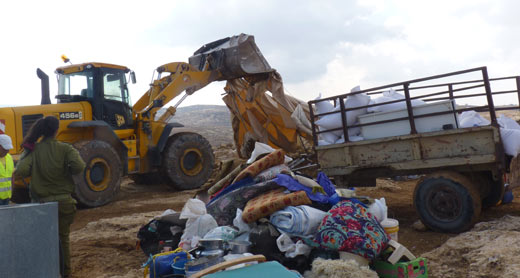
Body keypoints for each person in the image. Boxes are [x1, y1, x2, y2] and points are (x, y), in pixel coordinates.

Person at [14, 116, 85, 278]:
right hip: (64, 203)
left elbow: (21, 171)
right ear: (56, 130)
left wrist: (28, 153)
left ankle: (45, 271)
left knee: (41, 239)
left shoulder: (33, 150)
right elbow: (79, 166)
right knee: (63, 238)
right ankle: (66, 272)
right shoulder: (66, 149)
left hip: (41, 204)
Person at [0, 134, 14, 205]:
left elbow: (12, 175)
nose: (7, 151)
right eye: (5, 148)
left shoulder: (9, 158)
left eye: (8, 148)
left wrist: (11, 192)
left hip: (7, 197)